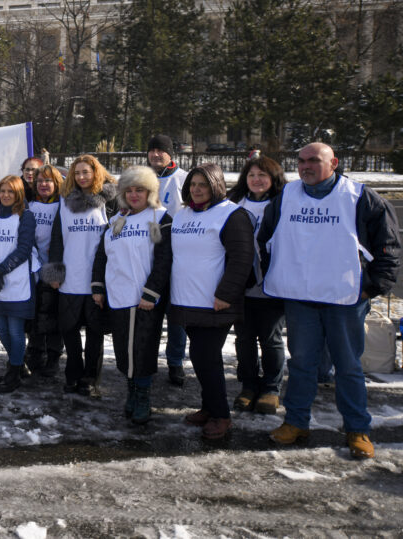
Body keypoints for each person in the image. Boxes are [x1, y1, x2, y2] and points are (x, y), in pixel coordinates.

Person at [259, 143, 400, 459]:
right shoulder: (287, 196)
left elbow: (388, 246)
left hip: (345, 299)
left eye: (314, 160)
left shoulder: (359, 197)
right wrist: (279, 276)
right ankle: (296, 421)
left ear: (333, 163)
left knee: (348, 366)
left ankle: (357, 428)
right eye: (300, 161)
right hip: (301, 299)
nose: (305, 166)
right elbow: (265, 239)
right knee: (301, 363)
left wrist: (372, 286)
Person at [169, 164, 254, 440]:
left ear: (216, 185)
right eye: (193, 184)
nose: (196, 189)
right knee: (200, 357)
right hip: (186, 299)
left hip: (214, 302)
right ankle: (209, 407)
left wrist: (226, 295)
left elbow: (242, 258)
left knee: (207, 358)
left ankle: (221, 415)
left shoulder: (232, 214)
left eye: (203, 184)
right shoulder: (183, 215)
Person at [91, 166, 172, 424]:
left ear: (150, 192)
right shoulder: (116, 220)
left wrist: (151, 292)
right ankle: (132, 391)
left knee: (142, 350)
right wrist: (98, 287)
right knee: (124, 350)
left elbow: (163, 259)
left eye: (140, 190)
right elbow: (102, 256)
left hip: (143, 299)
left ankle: (143, 397)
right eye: (129, 190)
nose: (134, 195)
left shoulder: (158, 218)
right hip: (118, 296)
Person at [44, 155, 118, 397]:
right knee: (69, 330)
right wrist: (55, 273)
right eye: (77, 173)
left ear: (96, 173)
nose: (81, 177)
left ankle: (90, 378)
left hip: (97, 279)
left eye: (86, 172)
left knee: (95, 333)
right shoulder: (65, 202)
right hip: (71, 278)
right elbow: (57, 239)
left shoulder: (110, 201)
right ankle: (73, 373)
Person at [226, 155, 288, 414]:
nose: (256, 180)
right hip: (242, 283)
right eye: (251, 175)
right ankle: (249, 386)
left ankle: (271, 388)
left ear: (273, 178)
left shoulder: (284, 203)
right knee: (244, 338)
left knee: (271, 338)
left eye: (262, 175)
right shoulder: (233, 202)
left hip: (273, 282)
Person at [0, 175, 40, 393]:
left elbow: (23, 249)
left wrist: (0, 270)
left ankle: (13, 372)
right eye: (2, 191)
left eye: (10, 192)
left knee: (15, 331)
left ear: (18, 194)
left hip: (17, 281)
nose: (6, 195)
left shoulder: (26, 216)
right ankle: (18, 362)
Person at [147, 133, 190, 387]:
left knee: (176, 316)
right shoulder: (143, 178)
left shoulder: (183, 178)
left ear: (170, 154)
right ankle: (147, 360)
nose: (155, 155)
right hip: (148, 254)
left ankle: (175, 362)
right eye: (152, 150)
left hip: (178, 255)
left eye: (160, 150)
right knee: (150, 313)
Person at [25, 164, 64, 376]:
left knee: (54, 313)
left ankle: (54, 354)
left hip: (54, 267)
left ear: (56, 183)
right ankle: (35, 350)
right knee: (36, 312)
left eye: (48, 180)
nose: (43, 184)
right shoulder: (30, 205)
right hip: (34, 267)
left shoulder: (63, 205)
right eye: (40, 181)